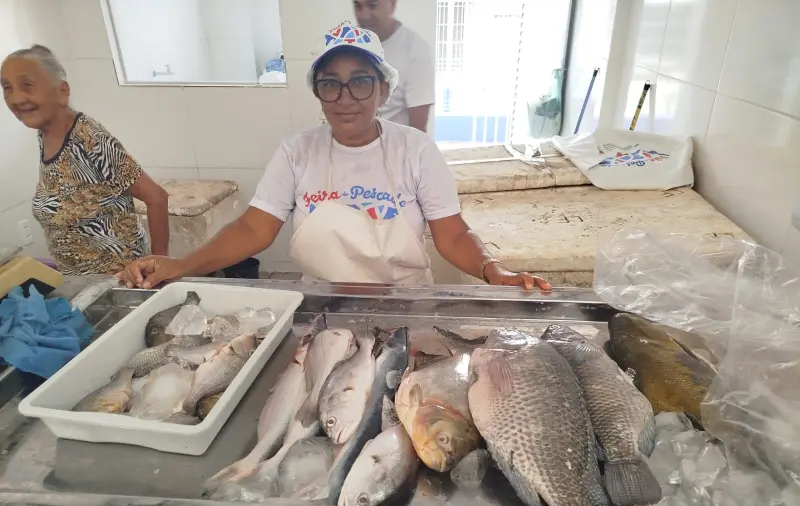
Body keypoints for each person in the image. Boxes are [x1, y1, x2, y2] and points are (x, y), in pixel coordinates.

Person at [117, 24, 551, 292]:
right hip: (325, 302)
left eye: (361, 82)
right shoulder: (297, 151)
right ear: (317, 93)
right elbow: (253, 229)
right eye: (331, 84)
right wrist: (182, 264)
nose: (345, 98)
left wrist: (493, 270)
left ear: (383, 90)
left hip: (403, 300)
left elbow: (452, 235)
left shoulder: (415, 149)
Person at [1, 45, 169, 275]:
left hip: (121, 284)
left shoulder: (90, 140)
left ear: (62, 91)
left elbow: (157, 197)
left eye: (27, 85)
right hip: (81, 285)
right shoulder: (46, 134)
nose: (16, 98)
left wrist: (157, 271)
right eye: (7, 88)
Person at [354, 0, 434, 132]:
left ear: (392, 4)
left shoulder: (415, 49)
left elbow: (418, 130)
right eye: (358, 6)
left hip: (393, 148)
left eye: (373, 5)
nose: (363, 15)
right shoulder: (350, 45)